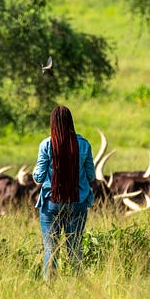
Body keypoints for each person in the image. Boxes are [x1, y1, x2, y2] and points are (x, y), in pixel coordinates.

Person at [33, 105, 95, 278]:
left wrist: (35, 174)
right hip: (77, 204)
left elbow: (38, 177)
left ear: (52, 122)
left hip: (51, 204)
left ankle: (48, 288)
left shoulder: (46, 144)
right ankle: (79, 286)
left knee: (50, 250)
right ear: (70, 121)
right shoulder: (83, 144)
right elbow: (91, 176)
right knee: (75, 248)